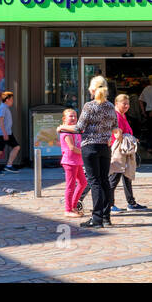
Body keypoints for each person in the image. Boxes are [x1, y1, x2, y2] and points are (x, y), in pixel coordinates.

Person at [58, 75, 119, 228]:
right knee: (104, 181)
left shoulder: (89, 106)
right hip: (105, 148)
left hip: (90, 147)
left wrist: (62, 128)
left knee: (94, 182)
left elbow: (79, 128)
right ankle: (106, 218)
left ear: (92, 89)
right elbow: (115, 126)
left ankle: (96, 219)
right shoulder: (111, 106)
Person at [109, 93, 147, 213]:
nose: (126, 106)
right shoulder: (116, 116)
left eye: (128, 103)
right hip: (119, 152)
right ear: (116, 103)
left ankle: (131, 203)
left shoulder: (122, 115)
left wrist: (132, 138)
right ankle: (109, 205)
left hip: (125, 151)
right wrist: (130, 138)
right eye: (124, 103)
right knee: (114, 178)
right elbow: (118, 134)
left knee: (127, 177)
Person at [59, 108, 87, 216]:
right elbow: (71, 147)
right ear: (64, 119)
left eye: (75, 116)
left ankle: (74, 206)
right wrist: (85, 153)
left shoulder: (75, 131)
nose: (74, 118)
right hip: (70, 162)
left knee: (83, 183)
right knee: (70, 186)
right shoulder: (65, 132)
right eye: (71, 116)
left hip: (77, 161)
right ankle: (68, 210)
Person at [0, 90, 22, 171]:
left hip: (7, 133)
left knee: (15, 147)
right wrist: (4, 133)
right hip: (3, 133)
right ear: (7, 99)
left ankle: (8, 165)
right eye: (12, 99)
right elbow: (0, 120)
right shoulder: (3, 107)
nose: (12, 101)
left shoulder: (5, 107)